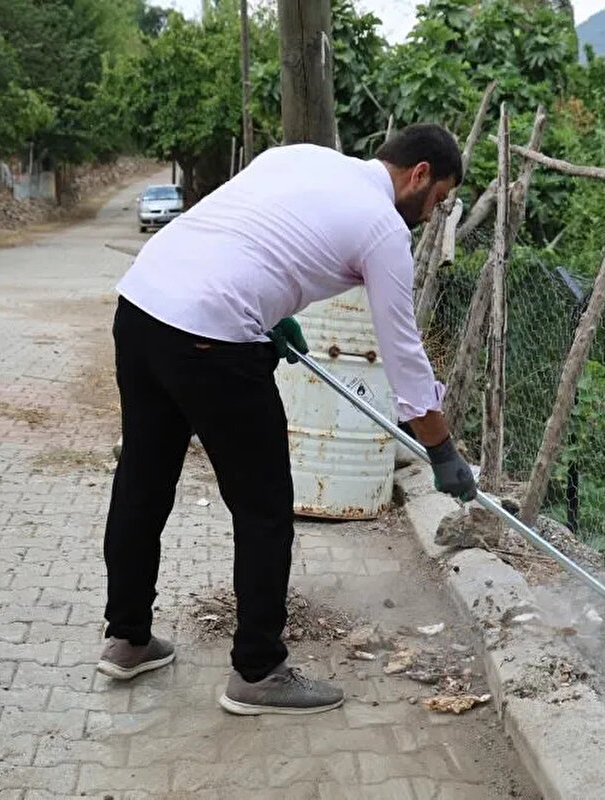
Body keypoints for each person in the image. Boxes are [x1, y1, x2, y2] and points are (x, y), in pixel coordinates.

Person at [97, 123, 477, 715]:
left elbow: (249, 234)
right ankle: (258, 671)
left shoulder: (304, 158)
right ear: (419, 174)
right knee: (265, 506)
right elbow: (402, 353)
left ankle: (127, 639)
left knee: (143, 481)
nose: (433, 216)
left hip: (142, 306)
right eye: (439, 200)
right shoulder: (383, 229)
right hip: (212, 335)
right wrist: (441, 450)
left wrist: (271, 314)